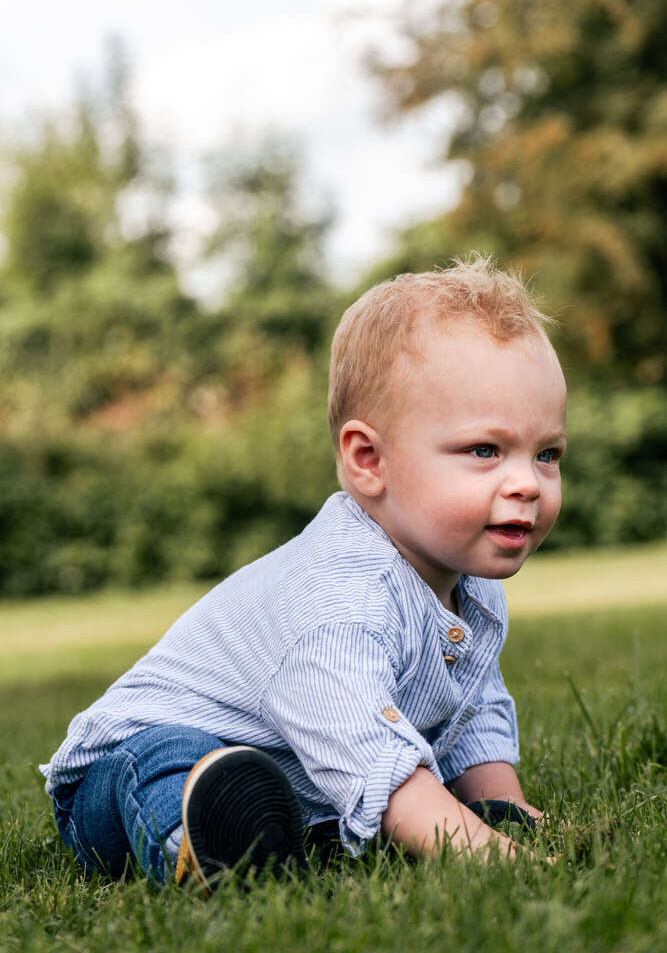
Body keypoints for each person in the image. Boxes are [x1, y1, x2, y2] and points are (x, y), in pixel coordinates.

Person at [40, 256, 567, 889]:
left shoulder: (468, 585)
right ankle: (205, 847)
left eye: (546, 454)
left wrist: (503, 809)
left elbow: (471, 705)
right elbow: (369, 752)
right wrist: (485, 853)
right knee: (174, 762)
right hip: (121, 771)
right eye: (485, 450)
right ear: (368, 460)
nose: (527, 484)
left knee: (286, 798)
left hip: (291, 776)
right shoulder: (342, 600)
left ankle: (272, 831)